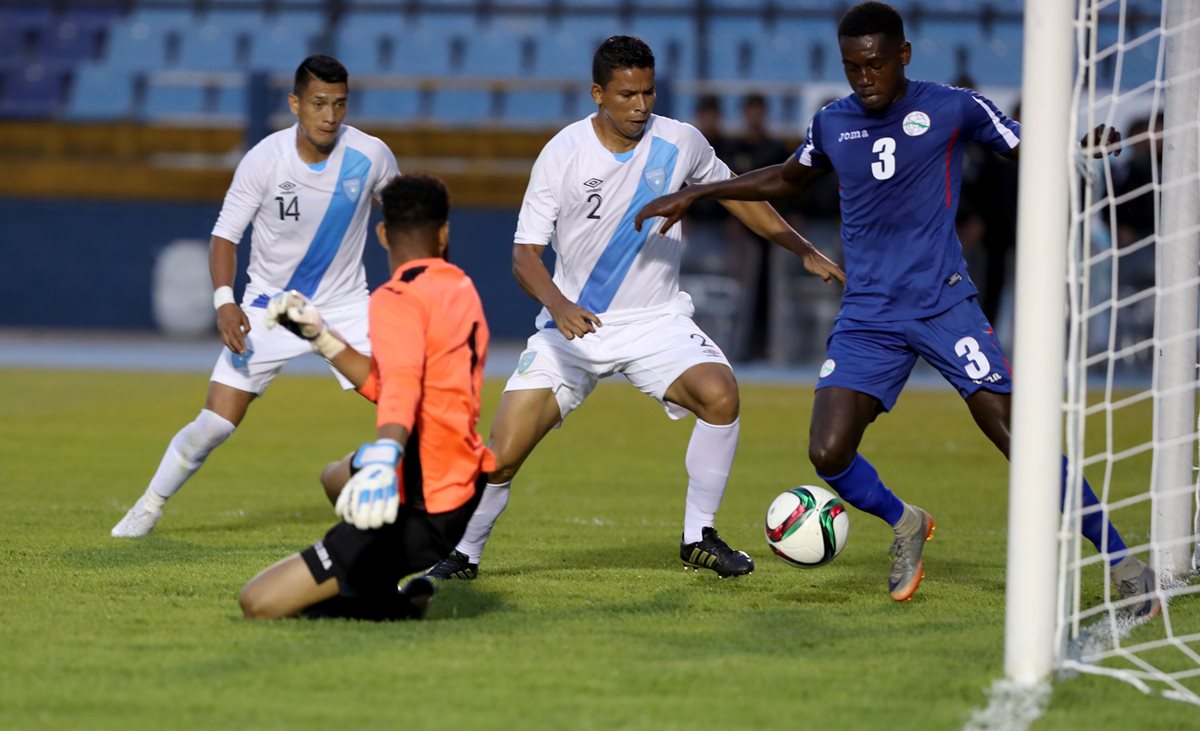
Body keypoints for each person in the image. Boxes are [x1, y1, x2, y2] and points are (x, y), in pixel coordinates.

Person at [633, 2, 1160, 617]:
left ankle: (1126, 566)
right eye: (853, 67)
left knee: (1020, 439)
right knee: (828, 452)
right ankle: (906, 521)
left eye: (875, 64)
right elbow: (786, 180)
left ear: (902, 56)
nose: (865, 77)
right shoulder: (833, 122)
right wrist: (702, 191)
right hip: (868, 316)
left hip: (943, 305)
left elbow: (1028, 144)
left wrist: (1080, 145)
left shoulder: (952, 106)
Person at [425, 35, 844, 581]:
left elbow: (739, 196)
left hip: (655, 322)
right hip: (570, 329)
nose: (641, 105)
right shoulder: (564, 153)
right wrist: (560, 302)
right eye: (627, 95)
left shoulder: (681, 142)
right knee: (501, 456)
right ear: (599, 93)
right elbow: (523, 256)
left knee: (721, 395)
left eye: (647, 92)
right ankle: (463, 557)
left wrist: (803, 249)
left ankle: (699, 535)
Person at [111, 55, 399, 538]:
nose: (330, 115)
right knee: (215, 425)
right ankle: (149, 505)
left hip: (347, 306)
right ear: (295, 104)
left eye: (340, 104)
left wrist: (401, 247)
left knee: (403, 402)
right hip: (271, 309)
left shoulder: (372, 155)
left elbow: (399, 216)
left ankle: (424, 510)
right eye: (318, 103)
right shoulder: (264, 160)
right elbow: (225, 235)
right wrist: (226, 301)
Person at [239, 173, 493, 620]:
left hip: (420, 500)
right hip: (462, 485)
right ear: (444, 233)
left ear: (382, 233)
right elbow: (400, 382)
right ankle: (384, 582)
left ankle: (388, 605)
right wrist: (322, 337)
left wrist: (383, 460)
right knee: (335, 477)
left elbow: (400, 386)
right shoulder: (461, 287)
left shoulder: (396, 297)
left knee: (258, 602)